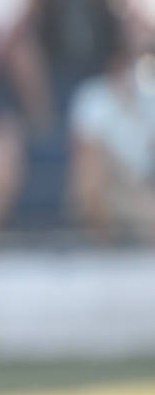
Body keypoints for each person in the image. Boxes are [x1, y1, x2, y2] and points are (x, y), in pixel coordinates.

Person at [68, 36, 155, 246]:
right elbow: (85, 153)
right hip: (105, 183)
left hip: (138, 187)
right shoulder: (93, 97)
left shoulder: (150, 99)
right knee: (92, 175)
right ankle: (99, 247)